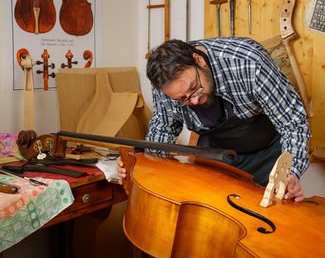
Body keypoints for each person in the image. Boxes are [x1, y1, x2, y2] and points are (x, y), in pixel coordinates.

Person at [117, 37, 311, 202]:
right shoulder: (165, 87)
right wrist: (142, 166)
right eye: (182, 99)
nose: (194, 100)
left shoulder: (248, 63)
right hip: (217, 154)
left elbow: (293, 123)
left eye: (194, 88)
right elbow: (164, 128)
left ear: (199, 60)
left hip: (267, 153)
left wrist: (289, 174)